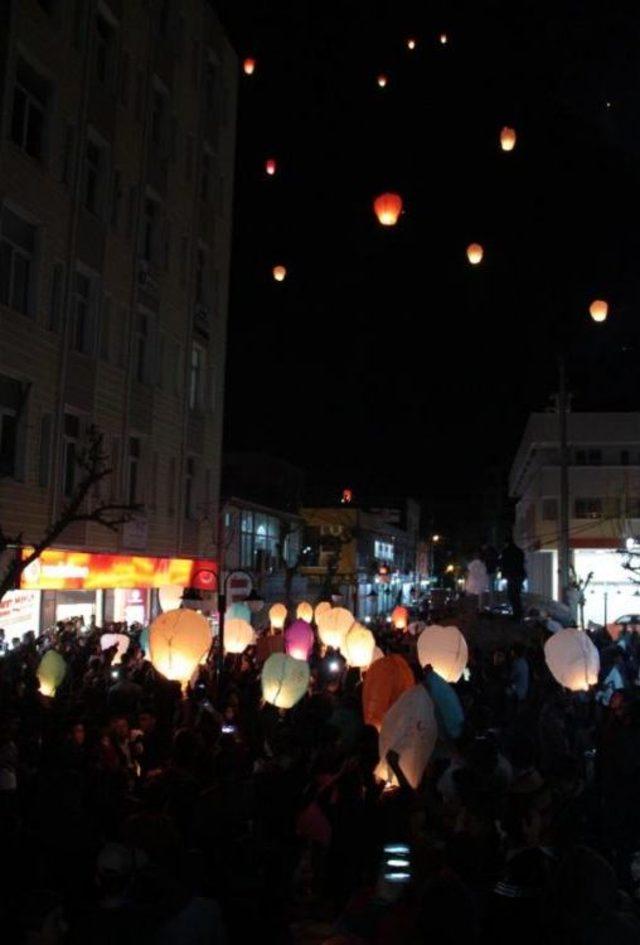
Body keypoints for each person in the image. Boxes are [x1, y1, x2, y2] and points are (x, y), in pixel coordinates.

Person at [500, 536, 526, 622]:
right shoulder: (519, 551)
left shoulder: (506, 552)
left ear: (506, 543)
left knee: (512, 595)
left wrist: (503, 575)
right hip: (519, 575)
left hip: (512, 576)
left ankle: (517, 614)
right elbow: (522, 562)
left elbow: (503, 564)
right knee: (516, 595)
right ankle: (518, 613)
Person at [481, 543, 499, 610]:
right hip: (493, 570)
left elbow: (486, 562)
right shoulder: (493, 551)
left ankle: (491, 604)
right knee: (492, 588)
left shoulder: (487, 553)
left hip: (489, 571)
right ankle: (492, 603)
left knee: (490, 588)